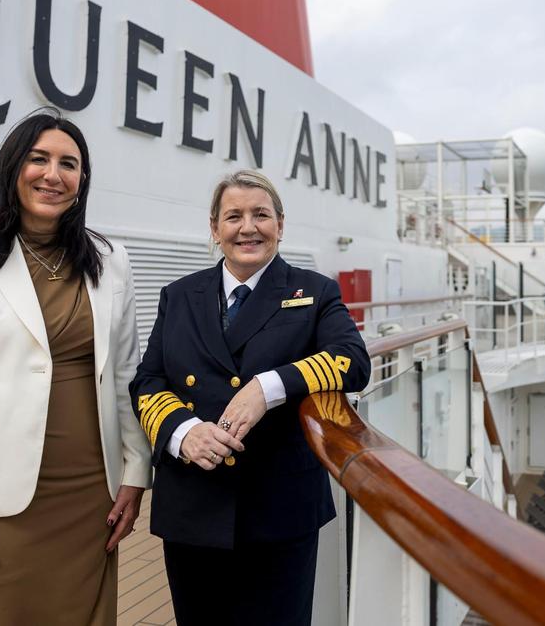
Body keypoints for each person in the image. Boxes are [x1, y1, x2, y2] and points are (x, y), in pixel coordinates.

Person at [0, 108, 151, 624]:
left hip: (90, 492)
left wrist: (135, 474)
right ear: (11, 167)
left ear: (82, 180)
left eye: (69, 163)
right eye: (39, 158)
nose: (53, 174)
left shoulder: (112, 260)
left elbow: (125, 375)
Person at [130, 170, 371, 625]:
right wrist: (183, 433)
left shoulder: (314, 291)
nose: (247, 227)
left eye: (261, 215)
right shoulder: (179, 296)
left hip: (279, 507)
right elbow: (149, 380)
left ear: (280, 224)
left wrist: (268, 387)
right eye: (233, 216)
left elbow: (353, 361)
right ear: (215, 228)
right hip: (193, 504)